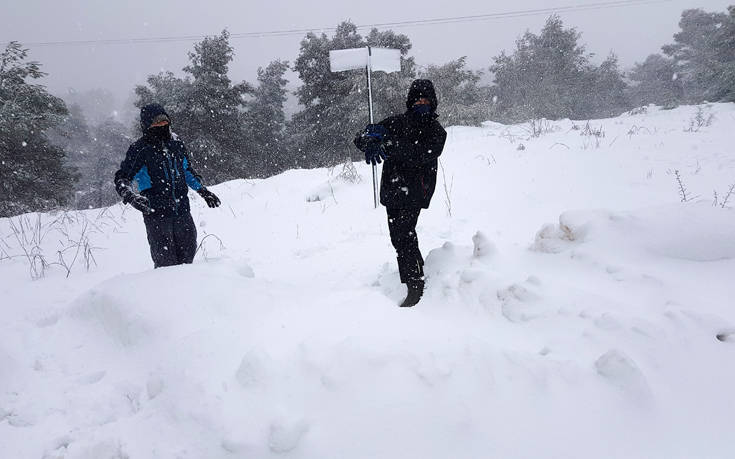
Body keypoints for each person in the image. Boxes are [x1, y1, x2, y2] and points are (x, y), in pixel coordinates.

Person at [354, 79, 447, 307]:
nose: (421, 103)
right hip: (393, 189)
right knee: (397, 237)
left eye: (425, 100)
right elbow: (361, 138)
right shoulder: (397, 122)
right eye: (417, 99)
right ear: (410, 101)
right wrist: (369, 139)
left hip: (416, 190)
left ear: (433, 102)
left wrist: (387, 145)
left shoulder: (437, 132)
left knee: (405, 233)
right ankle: (414, 270)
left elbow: (418, 154)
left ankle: (415, 284)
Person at [114, 103, 221, 268]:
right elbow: (122, 178)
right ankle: (166, 292)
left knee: (188, 259)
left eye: (165, 121)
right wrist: (131, 196)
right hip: (157, 215)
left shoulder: (176, 143)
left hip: (182, 212)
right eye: (157, 123)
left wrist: (203, 191)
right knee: (166, 265)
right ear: (147, 125)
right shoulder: (140, 149)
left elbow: (186, 170)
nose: (162, 125)